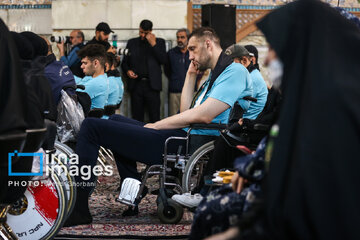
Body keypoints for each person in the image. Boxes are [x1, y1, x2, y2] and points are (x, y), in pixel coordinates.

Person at [64, 27, 252, 227]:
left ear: (208, 44)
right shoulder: (215, 75)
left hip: (186, 143)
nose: (190, 56)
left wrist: (156, 125)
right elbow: (185, 110)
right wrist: (190, 76)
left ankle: (79, 209)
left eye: (193, 49)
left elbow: (204, 116)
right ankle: (135, 185)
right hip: (183, 136)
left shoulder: (234, 71)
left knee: (91, 125)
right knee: (114, 121)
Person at [121, 19, 167, 122]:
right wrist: (128, 71)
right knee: (137, 118)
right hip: (136, 85)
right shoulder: (132, 43)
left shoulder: (159, 42)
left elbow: (163, 60)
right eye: (141, 32)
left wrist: (153, 44)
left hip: (152, 86)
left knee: (154, 117)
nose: (142, 35)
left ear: (151, 31)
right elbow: (124, 63)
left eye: (145, 33)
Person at [42, 36, 77, 105]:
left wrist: (61, 50)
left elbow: (67, 63)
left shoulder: (46, 72)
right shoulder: (60, 65)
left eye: (72, 37)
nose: (69, 39)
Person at [165, 28, 191, 116]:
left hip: (190, 91)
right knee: (174, 116)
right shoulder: (171, 53)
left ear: (188, 38)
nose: (179, 40)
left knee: (189, 117)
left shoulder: (193, 52)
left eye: (182, 37)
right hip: (175, 91)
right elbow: (167, 71)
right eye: (178, 37)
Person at [75, 44, 108, 110]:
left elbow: (71, 100)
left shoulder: (97, 83)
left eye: (85, 63)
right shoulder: (99, 78)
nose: (81, 66)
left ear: (95, 63)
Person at [243, 44, 268, 119]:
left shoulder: (252, 78)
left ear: (252, 60)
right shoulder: (252, 75)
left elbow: (239, 104)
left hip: (244, 125)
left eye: (242, 60)